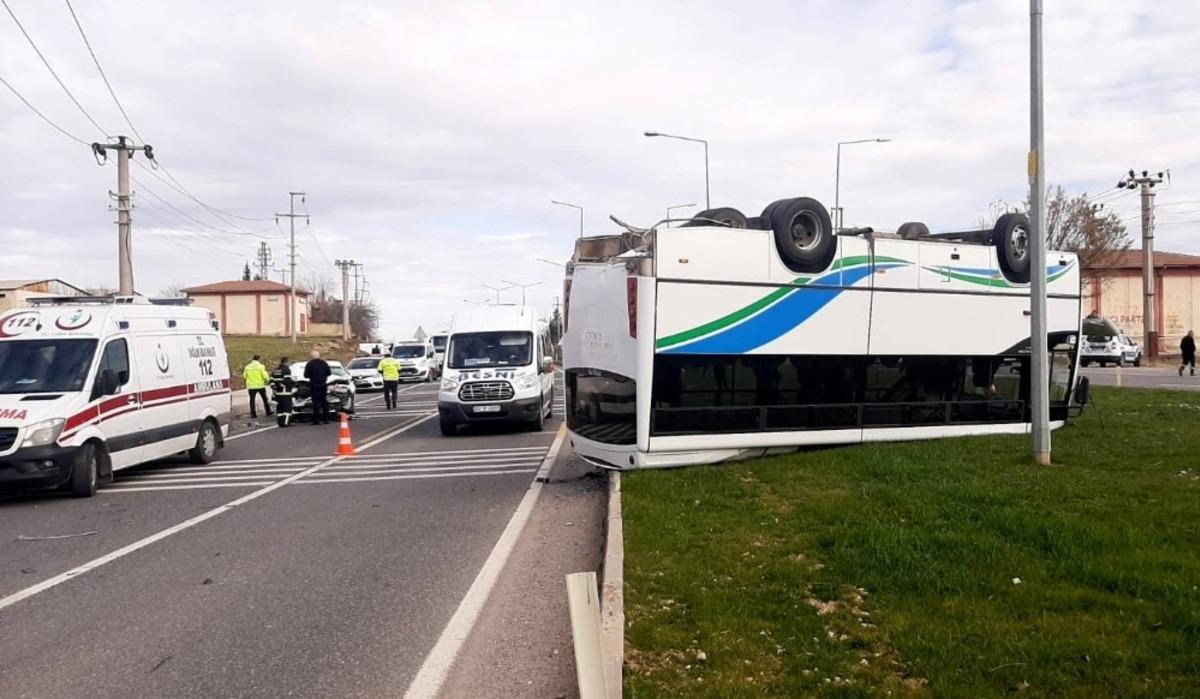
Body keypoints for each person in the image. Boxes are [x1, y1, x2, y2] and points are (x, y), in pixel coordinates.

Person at [304, 349, 332, 424]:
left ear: (312, 356)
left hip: (314, 385)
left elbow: (306, 375)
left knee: (316, 402)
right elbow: (329, 373)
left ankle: (316, 420)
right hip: (323, 384)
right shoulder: (324, 363)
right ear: (319, 355)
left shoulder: (309, 364)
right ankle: (326, 419)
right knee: (324, 401)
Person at [243, 354, 272, 419]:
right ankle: (268, 411)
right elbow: (265, 376)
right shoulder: (261, 366)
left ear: (253, 359)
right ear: (259, 359)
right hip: (260, 386)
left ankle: (253, 414)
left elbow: (244, 376)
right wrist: (268, 381)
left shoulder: (247, 367)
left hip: (251, 386)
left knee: (252, 400)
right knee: (265, 399)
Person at [270, 357, 296, 427]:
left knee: (279, 408)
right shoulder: (287, 370)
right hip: (286, 392)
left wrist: (275, 388)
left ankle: (280, 422)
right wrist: (293, 385)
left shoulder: (276, 370)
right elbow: (287, 381)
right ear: (286, 362)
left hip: (277, 393)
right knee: (287, 408)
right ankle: (286, 422)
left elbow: (271, 381)